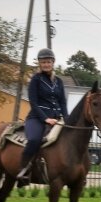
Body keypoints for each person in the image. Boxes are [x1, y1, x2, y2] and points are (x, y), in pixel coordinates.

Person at [16, 48, 69, 187]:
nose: (46, 64)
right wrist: (46, 119)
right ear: (39, 64)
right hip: (37, 118)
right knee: (33, 140)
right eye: (43, 62)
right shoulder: (35, 80)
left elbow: (62, 102)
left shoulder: (59, 81)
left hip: (57, 119)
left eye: (48, 61)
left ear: (53, 62)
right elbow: (33, 102)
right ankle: (23, 171)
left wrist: (67, 119)